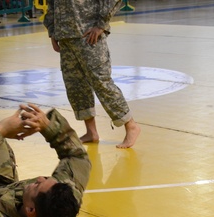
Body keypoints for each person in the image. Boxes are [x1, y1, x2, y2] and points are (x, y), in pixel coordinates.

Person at [43, 0, 141, 149]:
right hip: (65, 36)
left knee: (101, 83)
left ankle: (131, 125)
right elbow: (51, 4)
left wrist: (101, 24)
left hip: (88, 35)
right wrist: (52, 30)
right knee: (76, 86)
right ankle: (91, 132)